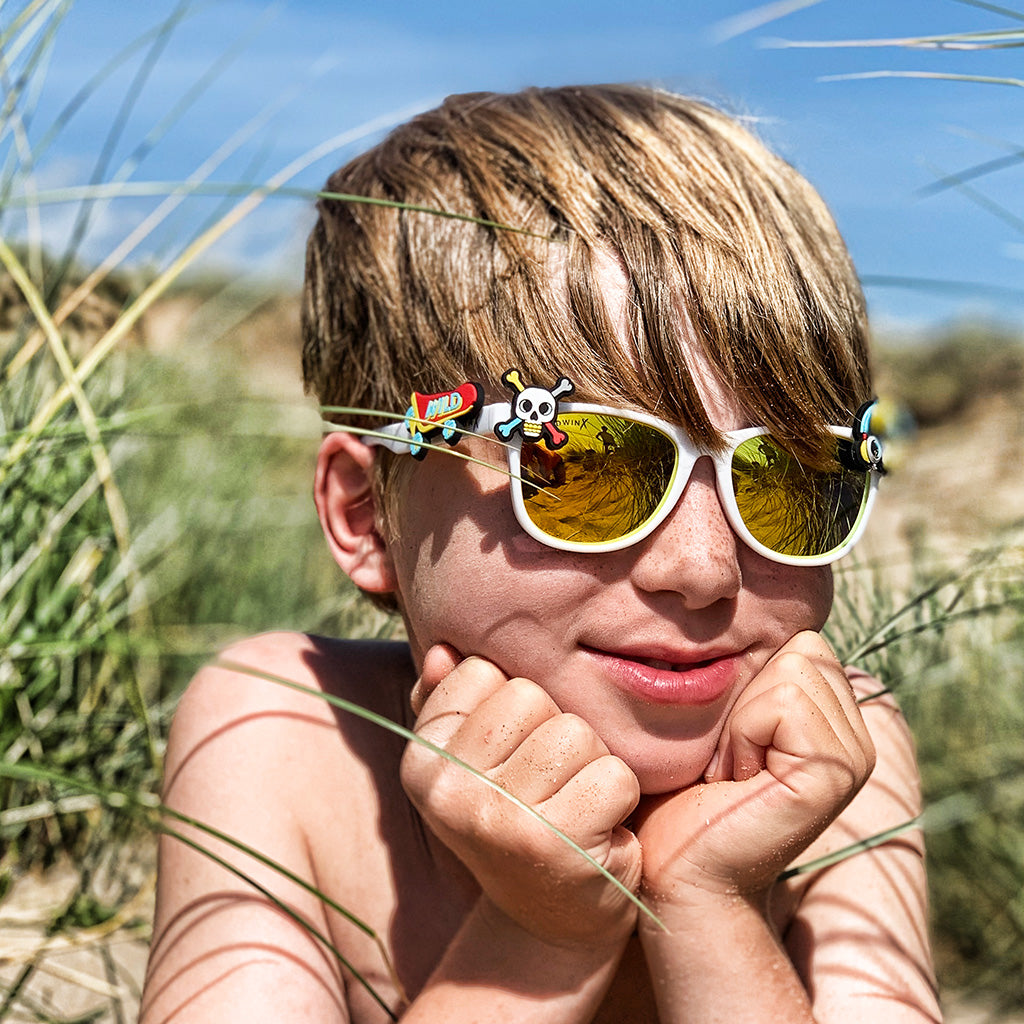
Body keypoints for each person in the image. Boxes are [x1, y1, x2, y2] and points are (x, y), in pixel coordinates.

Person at [140, 85, 941, 1023]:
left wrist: (709, 906)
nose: (704, 569)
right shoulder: (286, 736)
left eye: (791, 477)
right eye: (587, 466)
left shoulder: (830, 761)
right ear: (367, 516)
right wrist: (540, 935)